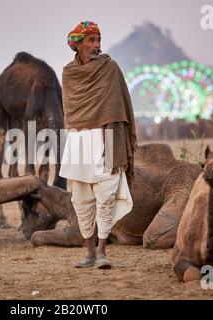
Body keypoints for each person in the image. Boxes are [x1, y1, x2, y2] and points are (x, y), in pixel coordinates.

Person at [59, 21, 137, 269]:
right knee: (81, 200)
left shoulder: (110, 68)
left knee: (107, 196)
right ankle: (89, 253)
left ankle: (102, 252)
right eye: (91, 41)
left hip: (107, 138)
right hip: (78, 140)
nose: (97, 45)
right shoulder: (69, 73)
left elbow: (118, 105)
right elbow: (70, 110)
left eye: (98, 40)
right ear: (78, 45)